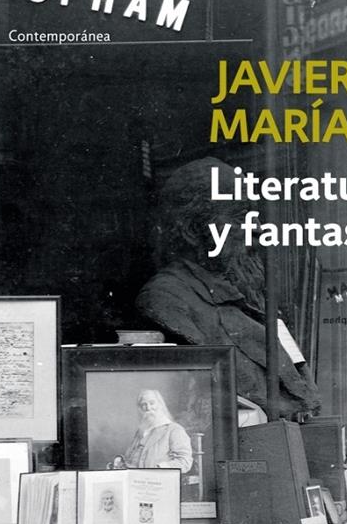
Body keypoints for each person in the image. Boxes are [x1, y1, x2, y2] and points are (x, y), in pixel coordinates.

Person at [135, 157, 320, 419]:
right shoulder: (167, 301)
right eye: (241, 216)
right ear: (192, 230)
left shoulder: (249, 299)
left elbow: (303, 393)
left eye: (255, 217)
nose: (257, 229)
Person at [124, 389, 193, 473]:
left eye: (152, 403)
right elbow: (130, 458)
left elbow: (184, 462)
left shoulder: (174, 430)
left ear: (160, 404)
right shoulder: (141, 431)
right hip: (136, 478)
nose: (148, 408)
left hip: (160, 478)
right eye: (144, 404)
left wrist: (160, 468)